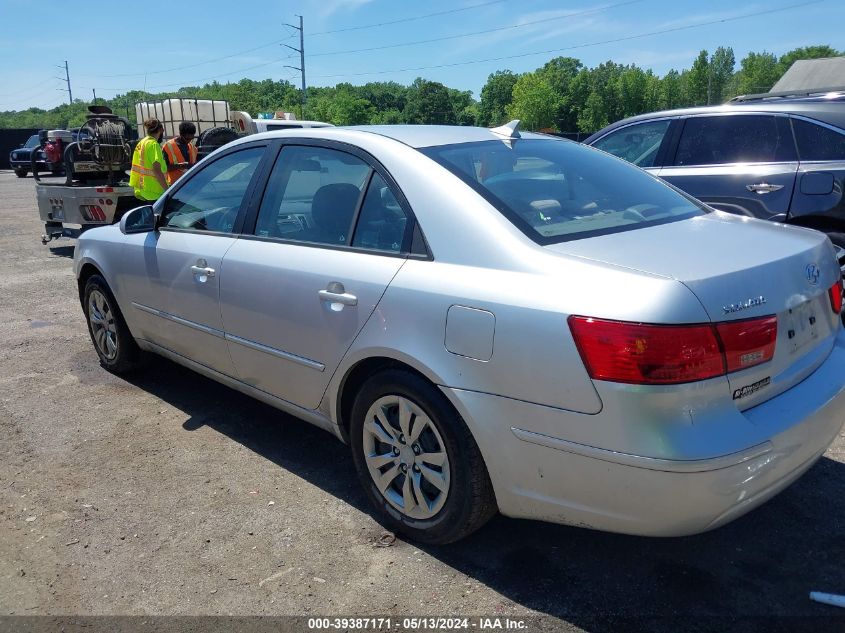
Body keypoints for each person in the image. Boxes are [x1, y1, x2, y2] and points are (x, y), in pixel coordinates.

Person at [129, 118, 168, 201]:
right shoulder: (154, 144)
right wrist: (167, 190)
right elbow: (157, 170)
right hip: (155, 191)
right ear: (161, 130)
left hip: (143, 190)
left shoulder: (141, 143)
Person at [161, 121, 198, 186]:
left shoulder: (193, 147)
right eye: (187, 138)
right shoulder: (168, 146)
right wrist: (181, 165)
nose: (189, 140)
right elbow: (164, 168)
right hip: (174, 186)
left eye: (191, 138)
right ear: (181, 134)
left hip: (189, 183)